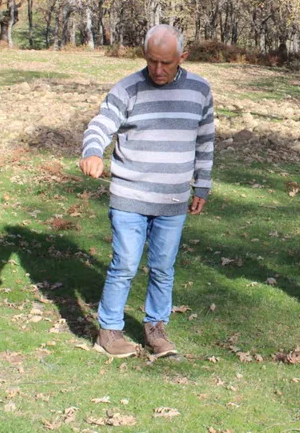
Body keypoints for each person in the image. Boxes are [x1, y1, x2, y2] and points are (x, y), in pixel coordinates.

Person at [80, 25, 214, 359]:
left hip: (172, 199)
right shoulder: (127, 88)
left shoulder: (200, 89)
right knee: (124, 264)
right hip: (130, 196)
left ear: (182, 57)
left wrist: (203, 184)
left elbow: (205, 140)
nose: (157, 70)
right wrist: (92, 151)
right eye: (152, 61)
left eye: (166, 63)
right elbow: (100, 124)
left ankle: (156, 328)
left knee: (163, 267)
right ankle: (109, 331)